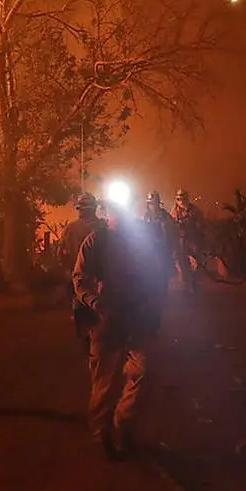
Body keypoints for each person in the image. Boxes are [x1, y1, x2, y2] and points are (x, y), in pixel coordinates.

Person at [71, 201, 164, 459]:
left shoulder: (140, 242)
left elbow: (154, 276)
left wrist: (151, 309)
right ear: (106, 215)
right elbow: (79, 277)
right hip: (105, 320)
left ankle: (122, 426)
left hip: (136, 318)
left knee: (144, 371)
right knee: (104, 383)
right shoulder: (95, 242)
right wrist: (96, 303)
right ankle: (103, 438)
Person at [61, 193, 105, 342]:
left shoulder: (70, 228)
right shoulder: (103, 227)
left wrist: (70, 270)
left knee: (80, 303)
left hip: (78, 277)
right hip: (100, 278)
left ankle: (85, 335)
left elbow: (60, 253)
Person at [173, 189, 205, 295]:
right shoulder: (175, 212)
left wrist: (190, 225)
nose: (181, 201)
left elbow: (201, 225)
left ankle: (194, 284)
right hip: (180, 243)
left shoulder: (194, 211)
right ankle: (187, 287)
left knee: (195, 265)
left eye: (182, 199)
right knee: (183, 266)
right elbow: (171, 226)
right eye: (179, 199)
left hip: (192, 242)